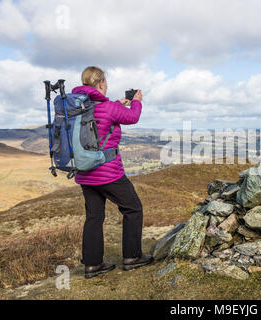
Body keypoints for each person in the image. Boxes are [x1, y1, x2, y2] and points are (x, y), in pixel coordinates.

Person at [73, 66, 152, 279]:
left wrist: (119, 103)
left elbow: (102, 114)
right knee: (133, 208)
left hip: (84, 172)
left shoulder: (79, 106)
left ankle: (92, 265)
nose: (106, 86)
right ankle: (132, 257)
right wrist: (136, 101)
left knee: (94, 217)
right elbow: (132, 117)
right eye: (105, 83)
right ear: (100, 84)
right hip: (107, 172)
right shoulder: (107, 107)